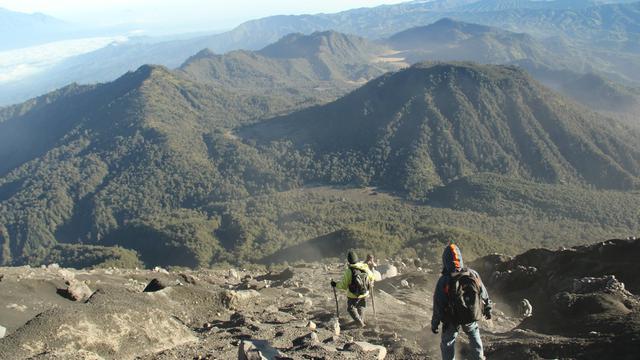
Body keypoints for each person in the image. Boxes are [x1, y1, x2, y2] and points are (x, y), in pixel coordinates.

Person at [431, 244, 492, 360]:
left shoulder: (444, 280)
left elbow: (438, 304)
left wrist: (435, 323)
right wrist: (488, 308)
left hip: (452, 318)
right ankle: (478, 357)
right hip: (470, 314)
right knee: (474, 334)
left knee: (448, 342)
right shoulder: (472, 274)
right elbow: (483, 292)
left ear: (445, 261)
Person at [331, 250, 375, 327]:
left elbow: (343, 286)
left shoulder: (349, 271)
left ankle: (359, 322)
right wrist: (370, 284)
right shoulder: (364, 267)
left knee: (351, 308)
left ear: (348, 261)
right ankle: (361, 320)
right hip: (365, 293)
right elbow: (372, 277)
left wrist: (335, 284)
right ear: (357, 259)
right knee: (362, 306)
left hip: (353, 295)